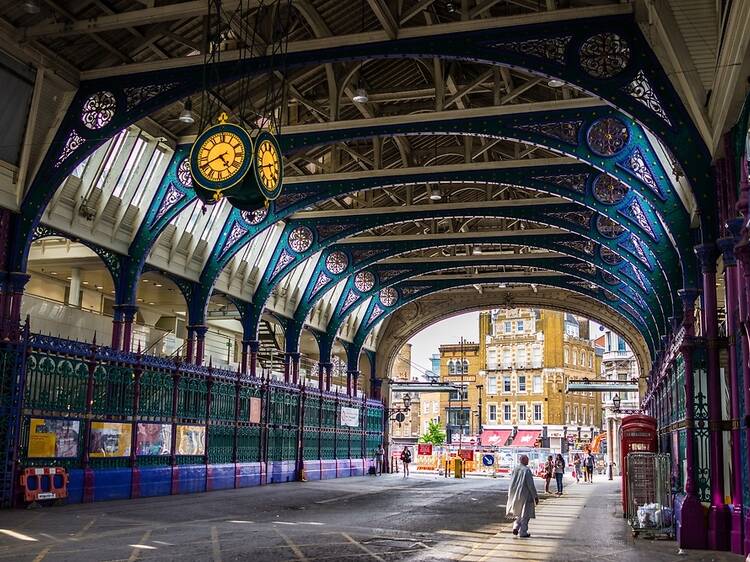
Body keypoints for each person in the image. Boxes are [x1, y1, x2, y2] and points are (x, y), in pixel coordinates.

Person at [506, 454, 539, 538]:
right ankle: (523, 532)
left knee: (518, 512)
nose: (528, 461)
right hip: (525, 494)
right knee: (525, 514)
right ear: (523, 460)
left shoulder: (515, 469)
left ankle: (516, 527)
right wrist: (535, 496)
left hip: (515, 494)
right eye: (527, 460)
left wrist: (510, 494)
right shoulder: (526, 470)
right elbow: (530, 485)